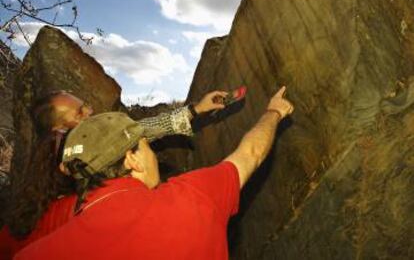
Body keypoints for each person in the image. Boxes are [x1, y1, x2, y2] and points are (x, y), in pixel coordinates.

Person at [14, 86, 294, 260]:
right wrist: (273, 112)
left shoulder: (86, 155)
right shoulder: (53, 206)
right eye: (79, 113)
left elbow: (140, 131)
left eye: (85, 104)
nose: (90, 111)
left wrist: (196, 109)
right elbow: (249, 155)